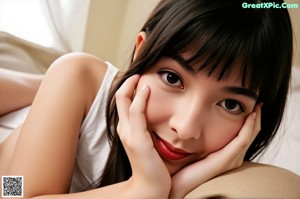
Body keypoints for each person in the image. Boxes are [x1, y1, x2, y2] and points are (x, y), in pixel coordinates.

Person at [0, 0, 296, 198]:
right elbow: (12, 194)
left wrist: (160, 189)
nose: (186, 127)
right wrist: (143, 189)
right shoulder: (75, 74)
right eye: (173, 78)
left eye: (230, 104)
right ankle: (42, 86)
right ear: (142, 52)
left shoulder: (221, 168)